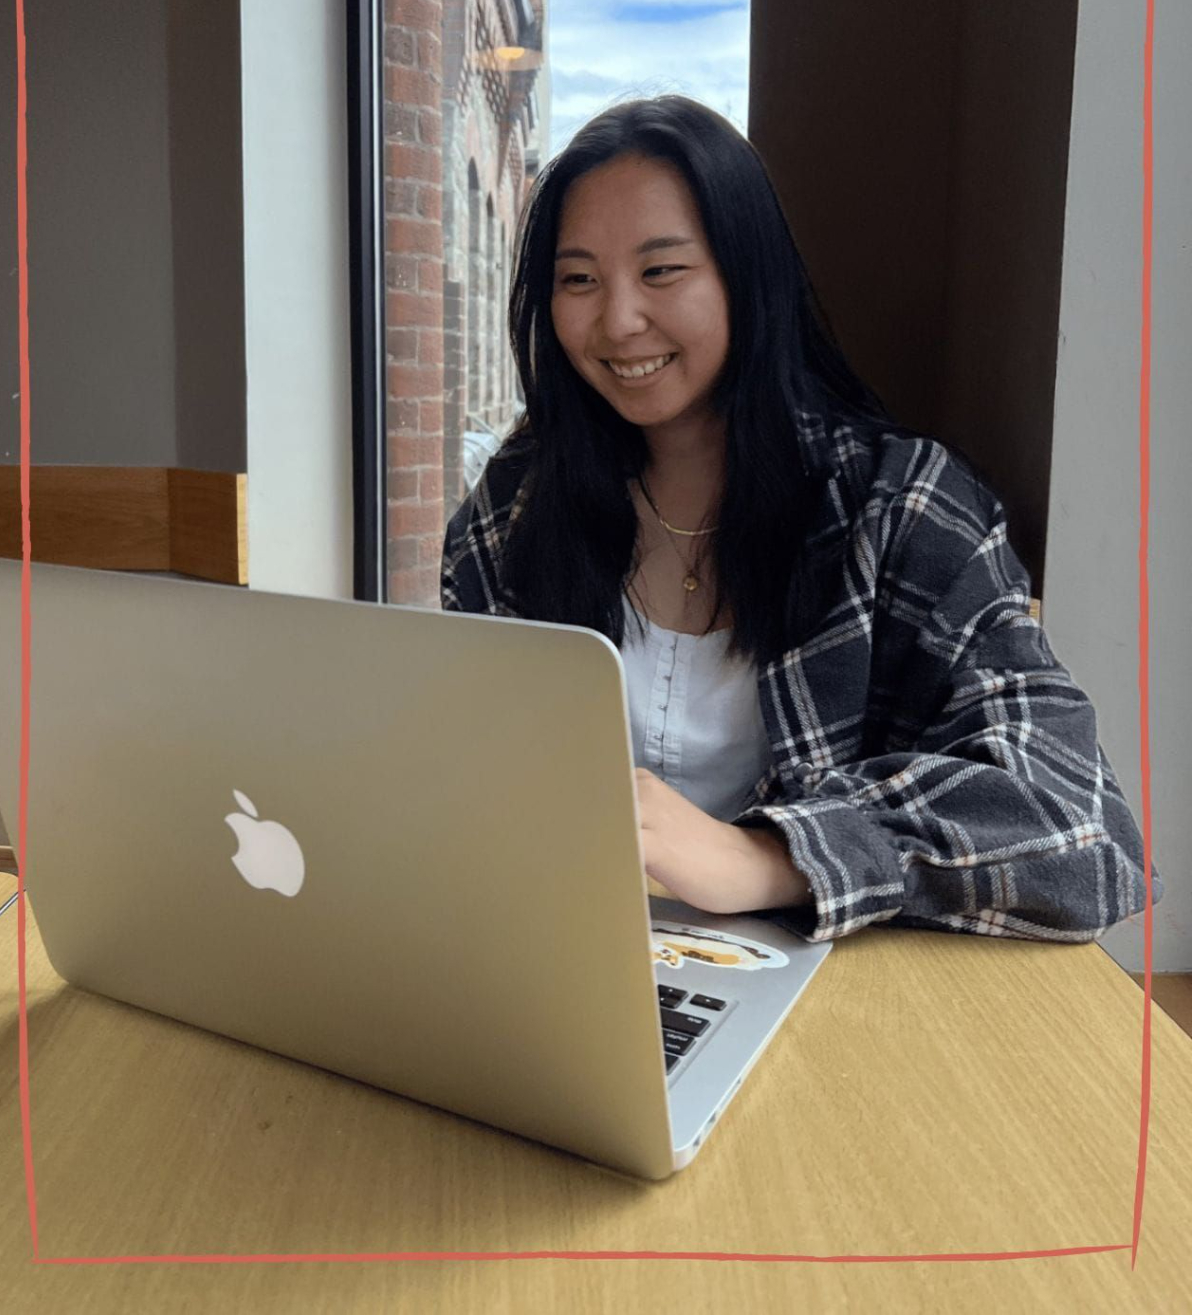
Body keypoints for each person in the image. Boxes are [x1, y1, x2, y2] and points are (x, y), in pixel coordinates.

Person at [440, 94, 1159, 944]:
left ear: (748, 276)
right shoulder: (518, 501)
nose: (618, 319)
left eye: (662, 270)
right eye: (579, 279)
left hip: (820, 986)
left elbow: (1083, 827)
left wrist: (770, 859)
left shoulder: (896, 508)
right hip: (560, 951)